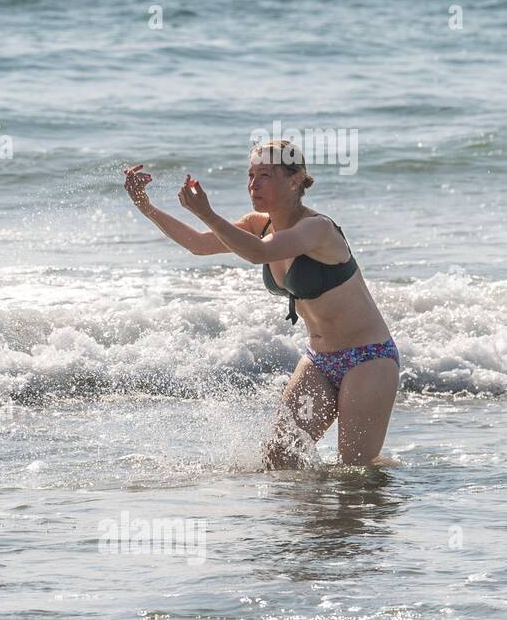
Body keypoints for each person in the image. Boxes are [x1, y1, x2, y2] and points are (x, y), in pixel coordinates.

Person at [123, 140, 399, 468]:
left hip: (367, 359)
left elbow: (259, 253)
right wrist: (146, 206)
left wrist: (208, 213)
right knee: (278, 457)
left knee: (355, 471)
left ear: (295, 179)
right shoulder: (259, 224)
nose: (253, 184)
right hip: (320, 360)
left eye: (265, 175)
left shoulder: (318, 228)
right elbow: (197, 244)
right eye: (251, 175)